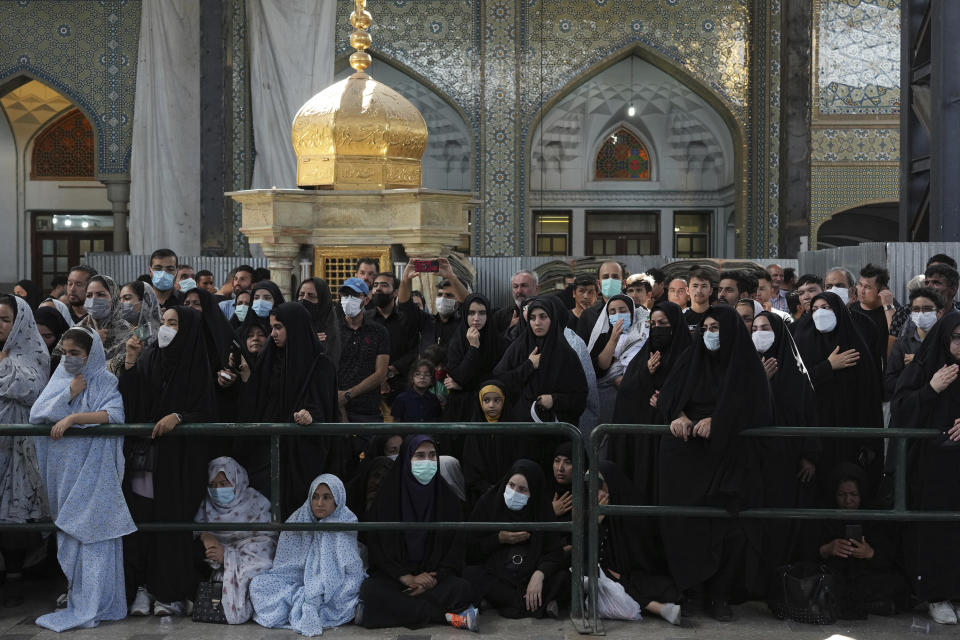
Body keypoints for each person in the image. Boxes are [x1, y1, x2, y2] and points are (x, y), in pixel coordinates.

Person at [657, 305, 772, 621]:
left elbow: (757, 408)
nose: (709, 334)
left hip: (727, 457)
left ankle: (720, 595)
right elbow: (668, 395)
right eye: (705, 328)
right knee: (686, 525)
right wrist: (678, 415)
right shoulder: (690, 358)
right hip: (686, 460)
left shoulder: (745, 365)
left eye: (716, 328)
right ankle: (693, 591)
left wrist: (718, 421)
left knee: (726, 527)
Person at [29, 328, 134, 631]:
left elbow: (113, 414)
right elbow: (38, 414)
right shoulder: (60, 379)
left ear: (92, 354)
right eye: (65, 352)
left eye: (76, 353)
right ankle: (79, 597)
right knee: (71, 538)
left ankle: (99, 602)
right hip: (63, 474)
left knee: (95, 534)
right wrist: (70, 393)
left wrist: (74, 417)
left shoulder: (106, 380)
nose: (69, 358)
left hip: (94, 471)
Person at [119, 305, 216, 616]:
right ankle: (143, 588)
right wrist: (131, 363)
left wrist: (179, 417)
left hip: (181, 462)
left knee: (173, 525)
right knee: (143, 524)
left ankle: (170, 592)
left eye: (173, 323)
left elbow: (208, 410)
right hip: (149, 460)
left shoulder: (197, 364)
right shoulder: (151, 358)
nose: (166, 328)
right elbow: (134, 405)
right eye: (164, 321)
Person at [356, 436, 478, 631]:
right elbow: (378, 549)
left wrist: (432, 579)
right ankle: (446, 617)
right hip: (397, 579)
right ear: (406, 459)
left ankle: (393, 612)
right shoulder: (386, 499)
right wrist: (406, 578)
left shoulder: (448, 500)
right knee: (371, 590)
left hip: (434, 579)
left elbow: (455, 551)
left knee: (463, 588)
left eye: (432, 456)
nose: (427, 462)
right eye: (419, 456)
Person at [234, 302, 339, 514]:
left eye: (279, 327)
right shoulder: (268, 359)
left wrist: (311, 415)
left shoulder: (319, 365)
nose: (273, 333)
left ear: (295, 327)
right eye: (272, 327)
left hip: (302, 455)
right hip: (266, 453)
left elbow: (324, 406)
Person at [891, 312, 960, 624]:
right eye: (956, 337)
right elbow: (902, 409)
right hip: (933, 468)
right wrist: (931, 389)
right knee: (936, 531)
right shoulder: (925, 366)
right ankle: (937, 593)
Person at [251, 474, 365, 636]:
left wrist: (315, 589)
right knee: (258, 584)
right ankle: (302, 602)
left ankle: (305, 604)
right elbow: (284, 566)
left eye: (327, 497)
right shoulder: (298, 519)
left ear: (337, 500)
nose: (319, 503)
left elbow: (351, 571)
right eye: (315, 497)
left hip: (334, 586)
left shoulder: (344, 521)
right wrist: (305, 589)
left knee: (350, 590)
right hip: (296, 583)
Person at [793, 292, 883, 497]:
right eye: (814, 309)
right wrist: (828, 367)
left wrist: (869, 442)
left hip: (850, 434)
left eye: (826, 308)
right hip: (814, 435)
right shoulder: (802, 341)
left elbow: (869, 396)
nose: (819, 314)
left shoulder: (855, 345)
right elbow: (796, 387)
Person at [797, 463, 908, 619]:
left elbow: (889, 555)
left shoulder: (873, 514)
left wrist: (870, 553)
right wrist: (827, 549)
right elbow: (805, 550)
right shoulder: (823, 512)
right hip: (833, 574)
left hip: (865, 576)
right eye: (842, 495)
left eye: (853, 494)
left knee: (896, 583)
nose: (848, 500)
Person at [465, 459, 566, 619]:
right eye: (511, 485)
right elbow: (469, 549)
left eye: (522, 489)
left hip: (528, 576)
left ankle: (506, 602)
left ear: (533, 492)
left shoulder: (541, 510)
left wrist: (539, 574)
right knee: (470, 575)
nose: (514, 493)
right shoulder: (489, 503)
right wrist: (499, 539)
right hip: (496, 574)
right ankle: (535, 605)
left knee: (564, 578)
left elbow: (554, 553)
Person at [610, 301, 692, 494]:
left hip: (676, 440)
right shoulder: (644, 357)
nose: (657, 329)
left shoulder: (689, 355)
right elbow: (626, 395)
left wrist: (667, 400)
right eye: (653, 325)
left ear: (675, 324)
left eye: (663, 323)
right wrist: (645, 373)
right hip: (643, 444)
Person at [0, 295, 51, 607]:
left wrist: (3, 364)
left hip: (16, 451)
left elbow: (31, 387)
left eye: (5, 319)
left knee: (13, 518)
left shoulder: (33, 354)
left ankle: (16, 576)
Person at [594, 460, 681, 625]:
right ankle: (658, 608)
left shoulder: (632, 508)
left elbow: (642, 553)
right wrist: (596, 523)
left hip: (635, 572)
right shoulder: (593, 509)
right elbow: (590, 552)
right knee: (609, 580)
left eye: (600, 485)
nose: (596, 492)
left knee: (662, 587)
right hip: (606, 572)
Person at [194, 457, 277, 624]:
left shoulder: (255, 503)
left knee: (261, 572)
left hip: (249, 556)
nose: (217, 490)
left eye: (224, 484)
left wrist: (227, 556)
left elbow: (265, 546)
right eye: (213, 485)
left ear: (237, 481)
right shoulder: (206, 505)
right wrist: (206, 536)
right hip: (215, 559)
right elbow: (197, 528)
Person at [493, 296, 587, 429]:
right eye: (532, 318)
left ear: (552, 319)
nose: (537, 323)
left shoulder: (565, 354)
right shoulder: (519, 347)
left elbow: (579, 398)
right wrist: (528, 366)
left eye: (543, 317)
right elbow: (499, 381)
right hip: (519, 430)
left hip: (555, 433)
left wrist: (554, 400)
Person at [462, 381, 531, 504]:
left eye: (497, 400)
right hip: (480, 495)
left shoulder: (515, 429)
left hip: (510, 492)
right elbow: (470, 468)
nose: (492, 405)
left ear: (504, 401)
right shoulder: (473, 432)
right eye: (486, 400)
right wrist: (485, 488)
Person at [443, 293, 508, 423]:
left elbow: (499, 378)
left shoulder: (499, 343)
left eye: (482, 313)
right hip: (460, 409)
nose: (476, 318)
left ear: (488, 315)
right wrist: (473, 348)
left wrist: (464, 386)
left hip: (490, 408)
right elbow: (458, 376)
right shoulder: (457, 341)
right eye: (471, 313)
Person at [587, 294, 649, 424]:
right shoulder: (603, 337)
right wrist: (613, 339)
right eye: (612, 312)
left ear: (631, 312)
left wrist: (627, 379)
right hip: (607, 398)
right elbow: (602, 367)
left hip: (635, 395)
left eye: (623, 310)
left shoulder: (644, 334)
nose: (618, 315)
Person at [337, 278, 389, 425]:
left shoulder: (379, 331)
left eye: (354, 296)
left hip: (368, 410)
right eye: (345, 295)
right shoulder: (333, 330)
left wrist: (348, 394)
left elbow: (380, 374)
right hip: (335, 409)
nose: (348, 300)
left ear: (365, 300)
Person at [369, 270, 426, 401]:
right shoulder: (365, 319)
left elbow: (414, 350)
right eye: (375, 285)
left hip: (403, 385)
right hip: (369, 386)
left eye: (384, 285)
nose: (378, 289)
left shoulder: (406, 318)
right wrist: (379, 375)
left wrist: (392, 370)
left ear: (395, 292)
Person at [884, 287, 945, 398]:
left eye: (927, 309)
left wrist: (919, 362)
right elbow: (890, 382)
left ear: (939, 313)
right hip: (910, 407)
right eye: (916, 309)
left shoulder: (947, 343)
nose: (921, 314)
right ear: (911, 313)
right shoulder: (902, 344)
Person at [71, 275, 133, 374]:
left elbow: (125, 369)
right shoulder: (76, 330)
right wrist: (89, 341)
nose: (94, 299)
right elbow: (63, 366)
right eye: (89, 295)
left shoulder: (128, 332)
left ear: (114, 297)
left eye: (100, 295)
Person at [575, 261, 625, 343]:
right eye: (605, 277)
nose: (610, 281)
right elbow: (581, 351)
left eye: (615, 277)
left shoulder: (636, 311)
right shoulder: (588, 316)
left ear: (623, 283)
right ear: (598, 284)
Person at [296, 277, 340, 367]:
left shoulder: (332, 332)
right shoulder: (288, 327)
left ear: (323, 301)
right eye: (301, 295)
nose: (304, 299)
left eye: (311, 296)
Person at [492, 270, 539, 336]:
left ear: (536, 289)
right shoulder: (500, 316)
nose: (519, 291)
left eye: (524, 286)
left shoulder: (547, 313)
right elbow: (495, 343)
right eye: (515, 286)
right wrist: (511, 330)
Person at [34, 304, 70, 376]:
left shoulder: (68, 358)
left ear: (59, 336)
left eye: (47, 336)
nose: (41, 341)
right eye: (36, 335)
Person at [683, 268, 713, 333]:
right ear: (687, 290)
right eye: (695, 286)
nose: (699, 290)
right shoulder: (680, 317)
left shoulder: (719, 315)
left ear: (710, 291)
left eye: (704, 286)